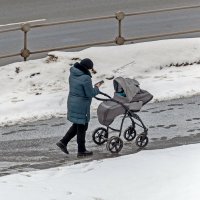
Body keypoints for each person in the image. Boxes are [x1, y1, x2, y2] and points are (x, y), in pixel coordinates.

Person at [56, 58, 102, 157]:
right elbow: (89, 93)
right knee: (82, 126)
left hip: (72, 102)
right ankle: (81, 150)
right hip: (81, 105)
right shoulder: (86, 78)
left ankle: (63, 142)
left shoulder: (73, 74)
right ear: (87, 68)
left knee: (78, 124)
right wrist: (97, 88)